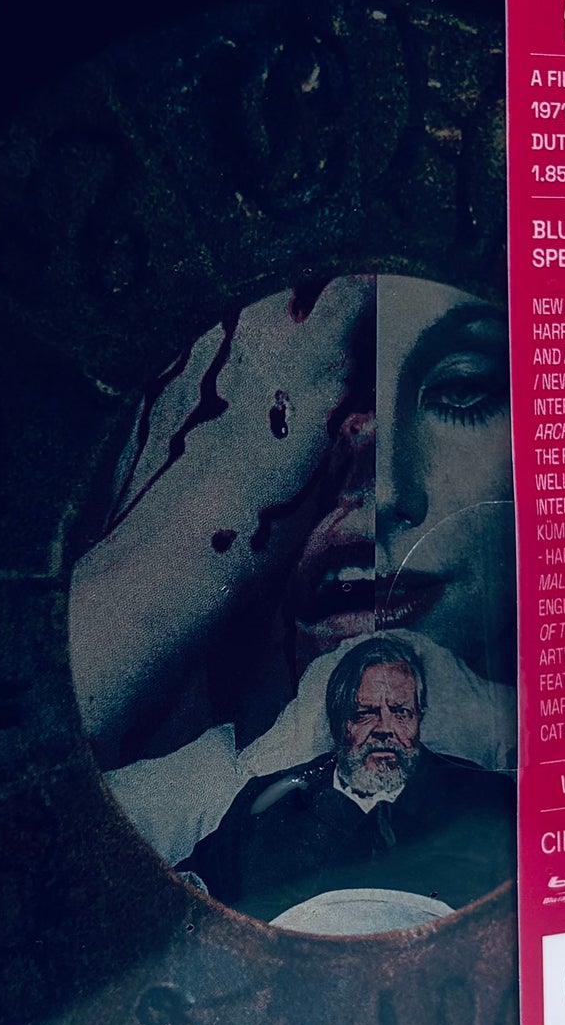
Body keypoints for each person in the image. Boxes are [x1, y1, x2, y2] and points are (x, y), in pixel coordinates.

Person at [70, 275, 517, 872]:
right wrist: (211, 501)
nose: (387, 492)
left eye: (461, 389)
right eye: (259, 400)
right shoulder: (182, 805)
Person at [179, 636, 513, 930]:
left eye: (401, 712)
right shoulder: (265, 805)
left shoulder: (484, 799)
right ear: (338, 722)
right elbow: (183, 899)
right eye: (365, 713)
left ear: (418, 717)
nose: (385, 728)